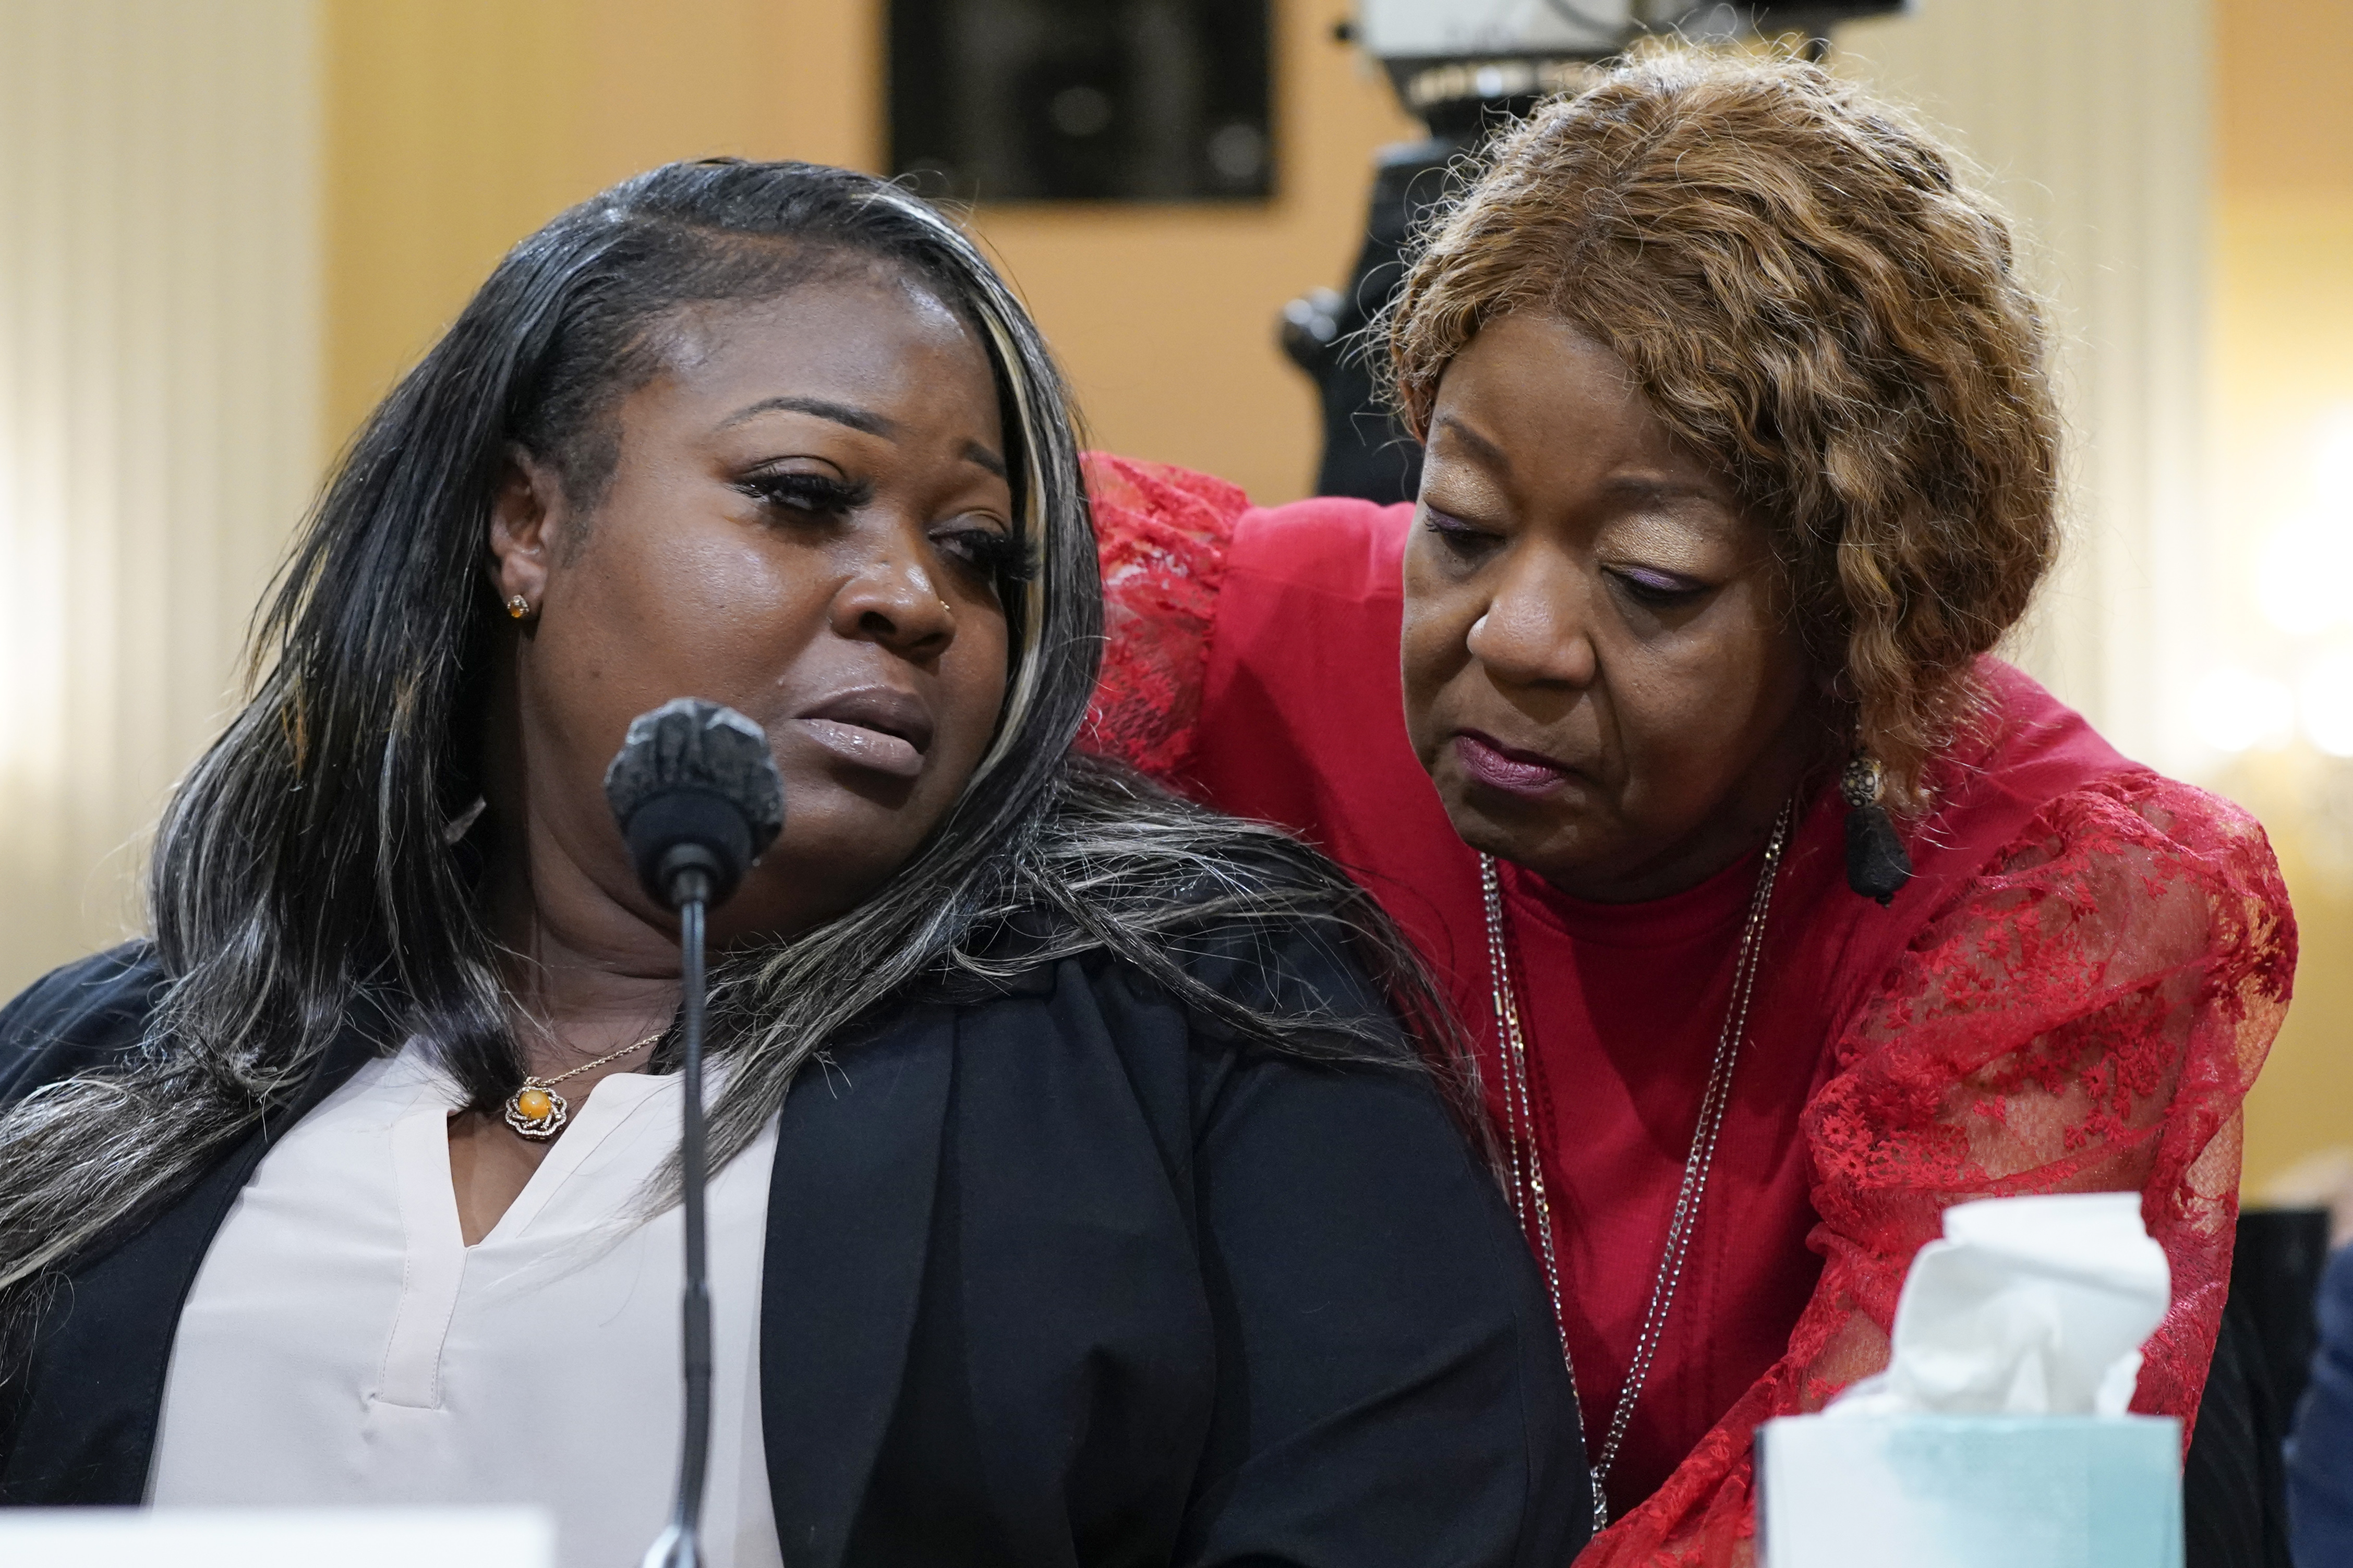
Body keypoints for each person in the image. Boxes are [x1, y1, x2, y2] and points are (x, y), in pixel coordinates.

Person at [0, 161, 1589, 1568]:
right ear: (524, 524)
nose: (916, 598)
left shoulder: (1200, 1034)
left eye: (981, 555)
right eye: (803, 499)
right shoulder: (97, 1068)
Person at [1083, 47, 2298, 1564]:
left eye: (1652, 582)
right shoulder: (1230, 650)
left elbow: (1922, 1523)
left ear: (1868, 629)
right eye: (1460, 526)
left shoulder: (2051, 897)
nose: (1510, 634)